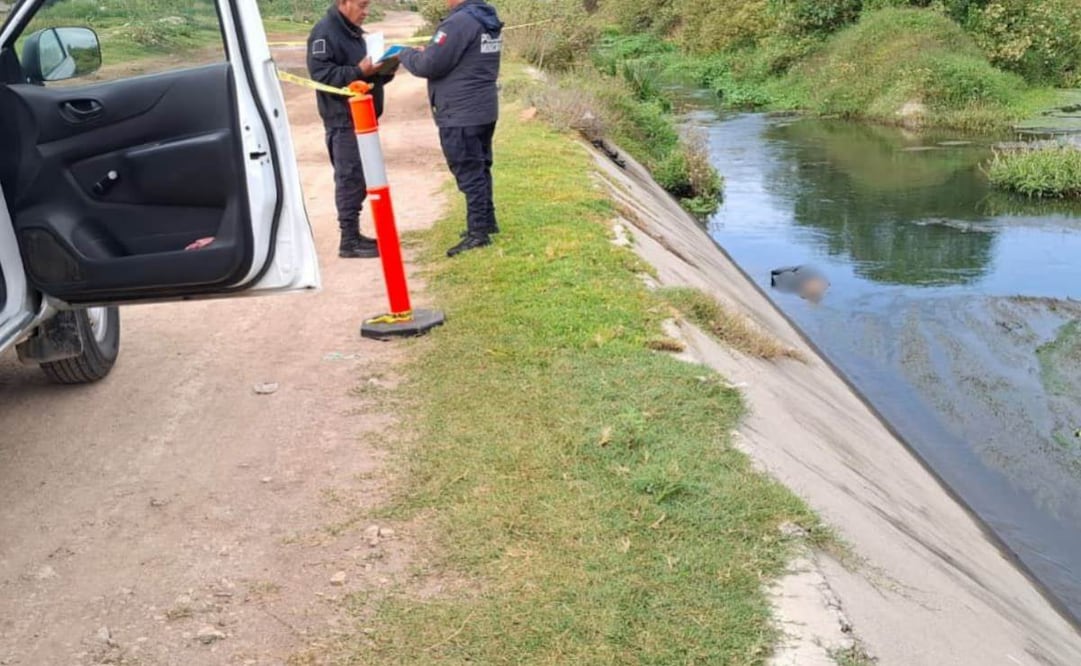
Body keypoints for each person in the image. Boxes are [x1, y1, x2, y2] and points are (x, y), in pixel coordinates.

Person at [398, 0, 503, 257]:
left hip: (461, 112)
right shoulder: (484, 17)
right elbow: (454, 56)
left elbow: (429, 65)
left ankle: (478, 232)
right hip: (482, 108)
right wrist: (429, 51)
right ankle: (486, 221)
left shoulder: (459, 22)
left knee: (468, 170)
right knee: (480, 166)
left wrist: (404, 53)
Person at [307, 0, 399, 258]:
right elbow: (322, 76)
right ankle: (348, 240)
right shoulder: (324, 33)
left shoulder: (355, 33)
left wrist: (386, 68)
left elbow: (367, 76)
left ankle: (354, 235)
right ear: (344, 3)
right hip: (343, 119)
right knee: (349, 178)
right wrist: (360, 70)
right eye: (361, 5)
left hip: (365, 118)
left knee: (362, 178)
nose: (365, 12)